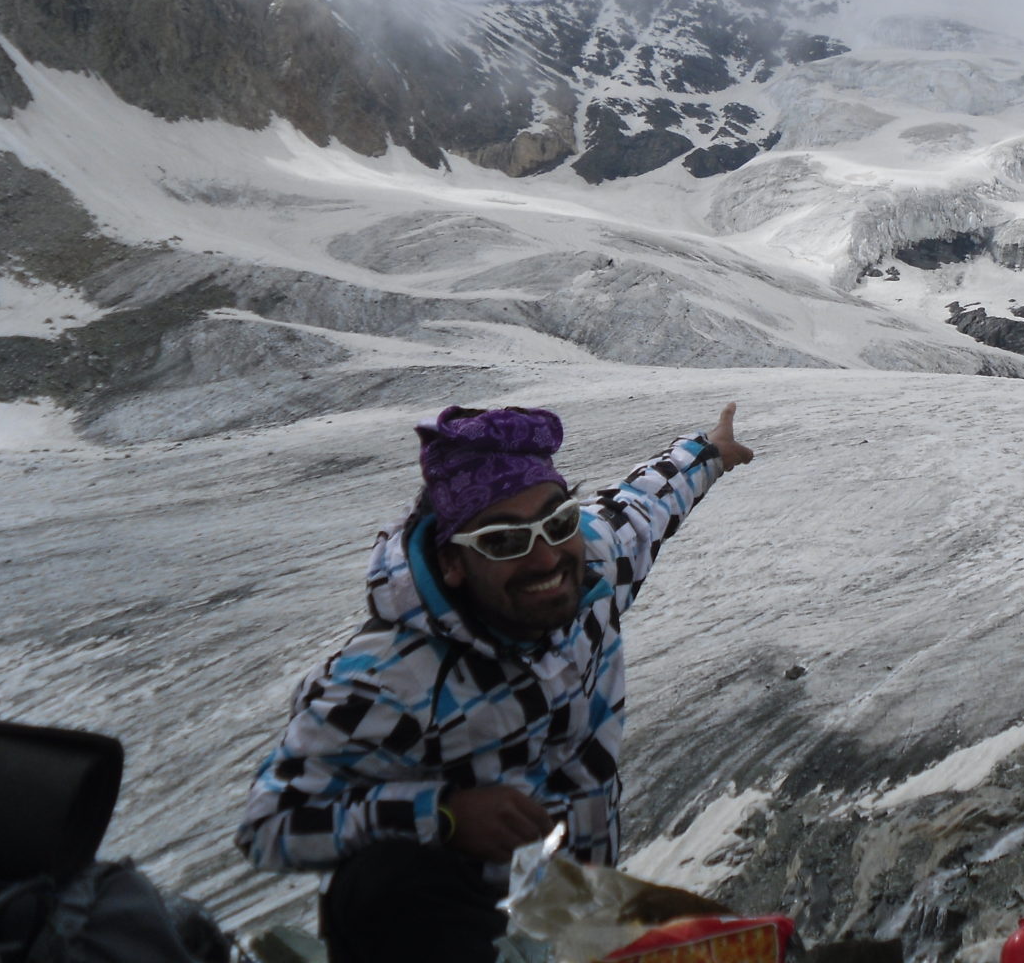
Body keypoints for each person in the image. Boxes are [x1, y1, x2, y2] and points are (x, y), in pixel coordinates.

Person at [237, 401, 753, 963]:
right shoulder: (385, 679)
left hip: (574, 905)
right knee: (381, 882)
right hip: (448, 929)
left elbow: (641, 504)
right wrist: (446, 815)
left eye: (557, 523)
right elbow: (271, 823)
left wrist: (708, 453)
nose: (547, 557)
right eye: (505, 541)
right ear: (454, 561)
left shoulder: (593, 570)